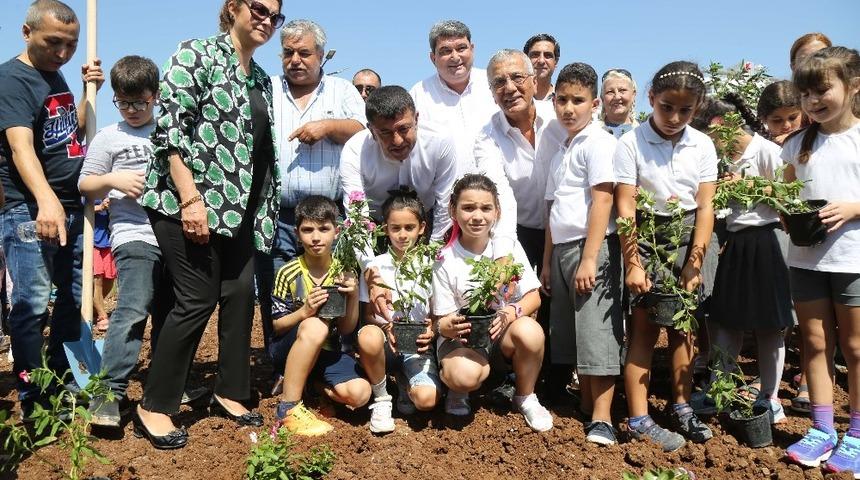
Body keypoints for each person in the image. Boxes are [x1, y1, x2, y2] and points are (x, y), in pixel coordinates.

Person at [136, 0, 284, 449]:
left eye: (275, 16)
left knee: (240, 294)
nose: (267, 20)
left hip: (241, 211)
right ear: (233, 7)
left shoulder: (259, 77)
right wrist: (190, 199)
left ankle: (230, 389)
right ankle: (154, 404)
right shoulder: (194, 54)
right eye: (259, 8)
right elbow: (170, 132)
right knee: (197, 298)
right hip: (188, 203)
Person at [0, 0, 104, 419]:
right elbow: (20, 144)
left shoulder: (53, 74)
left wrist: (85, 93)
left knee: (73, 300)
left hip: (71, 205)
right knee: (31, 305)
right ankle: (34, 397)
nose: (63, 52)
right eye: (53, 42)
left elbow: (68, 133)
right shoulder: (12, 79)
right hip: (30, 209)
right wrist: (45, 201)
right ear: (27, 33)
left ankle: (63, 381)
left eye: (71, 44)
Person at [614, 61, 717, 451]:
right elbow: (626, 208)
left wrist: (695, 261)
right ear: (651, 99)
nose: (674, 117)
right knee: (644, 328)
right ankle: (640, 418)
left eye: (685, 110)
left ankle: (681, 406)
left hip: (689, 234)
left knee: (685, 328)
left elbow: (705, 208)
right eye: (666, 107)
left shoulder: (702, 145)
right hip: (647, 237)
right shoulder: (631, 143)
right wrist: (634, 263)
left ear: (697, 108)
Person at [78, 55, 184, 427]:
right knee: (133, 308)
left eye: (140, 101)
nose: (133, 110)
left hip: (175, 236)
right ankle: (108, 393)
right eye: (124, 102)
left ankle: (167, 383)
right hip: (133, 235)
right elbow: (85, 183)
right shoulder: (110, 136)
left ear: (155, 96)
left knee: (172, 313)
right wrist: (114, 180)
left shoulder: (171, 131)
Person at [257, 19, 366, 353]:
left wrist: (328, 126)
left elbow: (364, 130)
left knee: (334, 288)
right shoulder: (267, 89)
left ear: (320, 54)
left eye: (304, 53)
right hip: (279, 215)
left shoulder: (341, 91)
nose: (295, 60)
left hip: (327, 217)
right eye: (288, 52)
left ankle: (333, 359)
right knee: (280, 290)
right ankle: (283, 362)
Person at [688, 93, 792, 424]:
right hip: (736, 242)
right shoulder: (726, 157)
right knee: (727, 319)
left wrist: (750, 186)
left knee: (769, 325)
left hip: (766, 240)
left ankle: (771, 398)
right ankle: (720, 388)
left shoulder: (767, 151)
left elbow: (789, 199)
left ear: (721, 125)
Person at [782, 46, 860, 476]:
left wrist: (853, 208)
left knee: (856, 348)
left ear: (852, 87)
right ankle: (822, 429)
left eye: (822, 89)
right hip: (806, 260)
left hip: (853, 259)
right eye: (805, 93)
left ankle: (858, 435)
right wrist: (785, 212)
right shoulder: (796, 145)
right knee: (815, 344)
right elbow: (784, 194)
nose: (813, 100)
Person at [432, 174, 553, 432]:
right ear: (453, 210)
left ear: (497, 211)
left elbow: (534, 295)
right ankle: (458, 389)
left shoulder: (507, 247)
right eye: (468, 207)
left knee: (531, 332)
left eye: (486, 208)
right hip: (460, 341)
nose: (478, 216)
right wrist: (446, 326)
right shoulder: (445, 257)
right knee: (463, 375)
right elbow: (438, 320)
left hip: (498, 337)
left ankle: (525, 396)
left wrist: (510, 312)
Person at [542, 63, 623, 445]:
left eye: (578, 101)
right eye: (562, 100)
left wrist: (591, 258)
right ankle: (588, 406)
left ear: (594, 103)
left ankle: (604, 418)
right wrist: (546, 261)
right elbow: (552, 208)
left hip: (590, 248)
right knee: (575, 336)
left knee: (597, 332)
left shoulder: (600, 142)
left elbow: (603, 201)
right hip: (561, 249)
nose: (568, 108)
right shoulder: (561, 146)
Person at [271, 195, 371, 436]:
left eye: (323, 229)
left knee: (360, 394)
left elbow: (347, 330)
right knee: (316, 326)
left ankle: (313, 387)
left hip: (328, 352)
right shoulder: (288, 272)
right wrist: (304, 312)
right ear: (297, 233)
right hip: (289, 348)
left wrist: (353, 294)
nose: (315, 237)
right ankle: (289, 409)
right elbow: (276, 326)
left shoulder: (343, 271)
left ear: (336, 232)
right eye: (307, 230)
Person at [474, 49, 567, 270]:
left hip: (567, 230)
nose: (509, 88)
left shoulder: (560, 119)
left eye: (517, 77)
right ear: (492, 94)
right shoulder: (487, 137)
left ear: (534, 82)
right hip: (518, 231)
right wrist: (504, 252)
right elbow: (500, 193)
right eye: (499, 82)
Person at [356, 190, 442, 430]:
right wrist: (387, 325)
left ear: (422, 228)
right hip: (386, 344)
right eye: (395, 228)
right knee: (368, 336)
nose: (403, 234)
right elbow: (367, 315)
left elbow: (437, 311)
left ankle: (406, 381)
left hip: (417, 347)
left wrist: (432, 330)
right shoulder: (376, 266)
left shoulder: (431, 264)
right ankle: (382, 396)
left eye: (409, 227)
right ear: (385, 229)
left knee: (426, 401)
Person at [339, 85, 458, 243]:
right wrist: (368, 264)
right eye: (385, 133)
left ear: (416, 119)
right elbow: (357, 215)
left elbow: (445, 203)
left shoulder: (440, 141)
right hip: (375, 226)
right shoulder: (355, 150)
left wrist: (434, 250)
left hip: (426, 221)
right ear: (372, 130)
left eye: (404, 129)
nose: (397, 141)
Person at [409, 20, 498, 173]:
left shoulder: (495, 83)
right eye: (445, 51)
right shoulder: (419, 94)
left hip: (498, 188)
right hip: (442, 192)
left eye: (461, 48)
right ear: (433, 58)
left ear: (472, 49)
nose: (455, 57)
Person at [92, 197, 115, 331]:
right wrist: (100, 207)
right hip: (91, 240)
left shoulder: (109, 190)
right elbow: (78, 210)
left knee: (109, 279)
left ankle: (92, 308)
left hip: (106, 240)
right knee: (97, 279)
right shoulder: (86, 188)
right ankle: (102, 315)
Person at [596, 69, 640, 139]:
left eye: (622, 90)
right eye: (610, 92)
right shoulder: (591, 133)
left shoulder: (645, 133)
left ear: (633, 94)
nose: (617, 97)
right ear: (602, 98)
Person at [758, 80, 803, 145]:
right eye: (777, 121)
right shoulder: (759, 144)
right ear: (764, 119)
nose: (787, 126)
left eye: (792, 118)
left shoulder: (812, 138)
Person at [523, 33, 559, 101]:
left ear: (556, 62)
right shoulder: (513, 100)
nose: (541, 61)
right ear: (525, 60)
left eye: (548, 55)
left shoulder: (565, 101)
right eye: (535, 55)